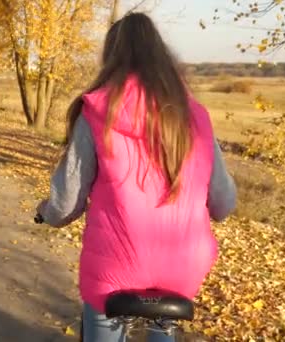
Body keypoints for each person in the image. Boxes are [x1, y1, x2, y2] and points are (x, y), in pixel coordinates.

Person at [35, 12, 236, 342]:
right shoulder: (195, 115)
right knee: (162, 329)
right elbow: (224, 204)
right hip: (183, 264)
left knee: (103, 319)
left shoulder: (98, 111)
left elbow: (65, 201)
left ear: (111, 58)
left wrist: (47, 214)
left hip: (115, 267)